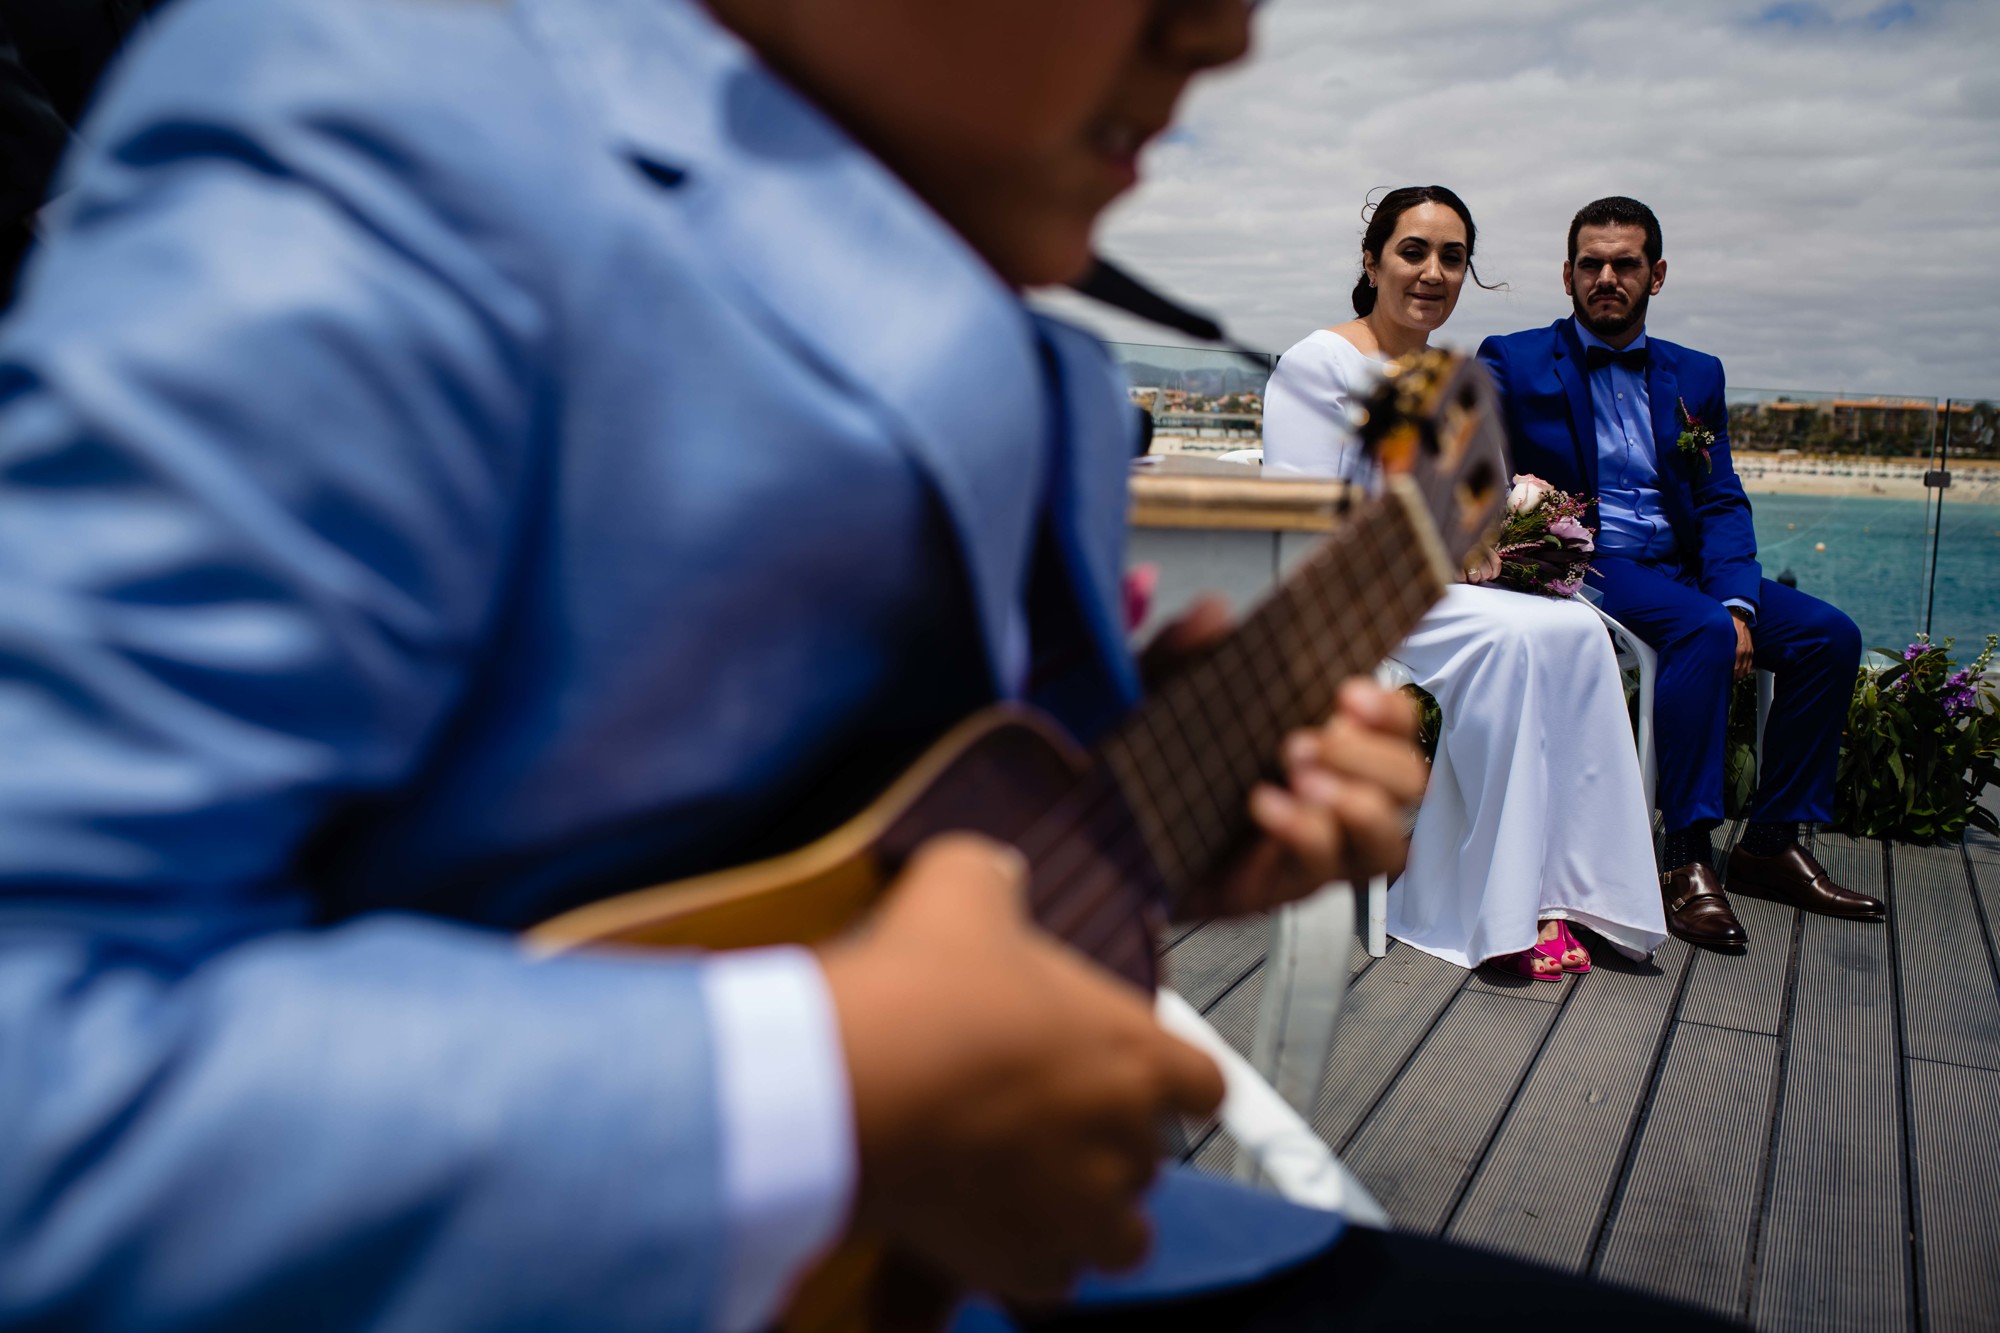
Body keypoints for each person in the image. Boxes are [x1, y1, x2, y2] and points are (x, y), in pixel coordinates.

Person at [0, 0, 1737, 1325]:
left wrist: (1173, 826)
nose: (1226, 30)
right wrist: (822, 1073)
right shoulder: (369, 120)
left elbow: (888, 855)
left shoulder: (1000, 320)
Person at [1264, 186, 1667, 978]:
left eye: (1453, 257)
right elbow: (1306, 524)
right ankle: (1495, 908)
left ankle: (1576, 892)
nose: (1433, 272)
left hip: (1435, 589)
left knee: (1578, 628)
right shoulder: (1320, 364)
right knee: (1515, 641)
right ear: (1373, 259)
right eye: (1414, 251)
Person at [1479, 197, 1881, 950]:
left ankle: (1768, 843)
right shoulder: (1513, 358)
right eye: (1591, 264)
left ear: (1655, 275)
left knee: (1829, 635)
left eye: (1625, 264)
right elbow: (1473, 470)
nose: (1607, 277)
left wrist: (1737, 596)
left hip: (1688, 567)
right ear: (1567, 274)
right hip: (1594, 562)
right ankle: (1683, 860)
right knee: (1700, 630)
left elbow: (1721, 498)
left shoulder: (1697, 373)